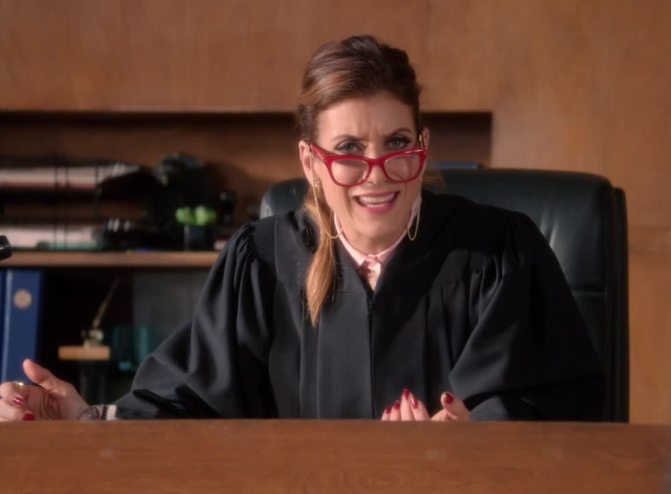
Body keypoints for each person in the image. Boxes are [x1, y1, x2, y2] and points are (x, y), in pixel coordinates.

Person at [0, 35, 602, 422]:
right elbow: (189, 403)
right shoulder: (263, 264)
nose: (377, 172)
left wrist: (473, 438)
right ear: (311, 162)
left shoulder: (499, 254)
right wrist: (87, 421)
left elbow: (558, 407)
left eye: (397, 143)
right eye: (349, 149)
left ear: (422, 146)